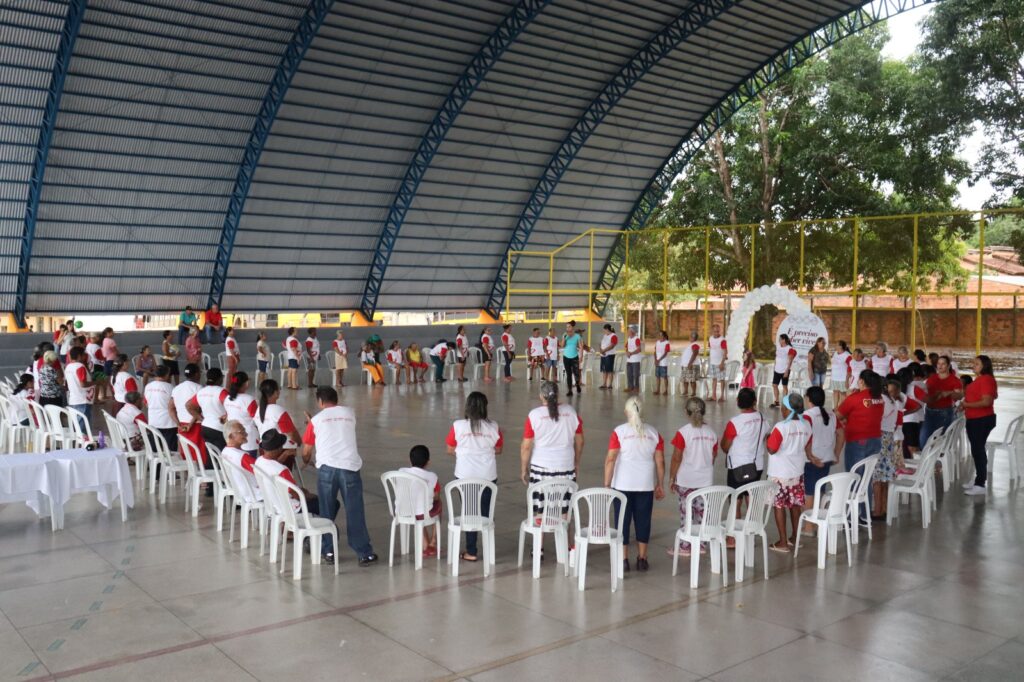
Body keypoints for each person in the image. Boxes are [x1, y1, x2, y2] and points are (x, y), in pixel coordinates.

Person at [302, 387, 377, 566]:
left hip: (327, 470)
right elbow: (336, 427)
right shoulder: (350, 413)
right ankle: (364, 553)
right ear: (336, 399)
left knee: (326, 512)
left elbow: (306, 451)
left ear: (320, 402)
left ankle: (328, 551)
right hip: (349, 468)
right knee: (355, 511)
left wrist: (308, 460)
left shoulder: (316, 420)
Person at [605, 397, 664, 572]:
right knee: (643, 521)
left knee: (622, 521)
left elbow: (611, 459)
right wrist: (660, 484)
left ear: (626, 412)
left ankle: (623, 559)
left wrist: (607, 484)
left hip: (622, 484)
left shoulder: (619, 432)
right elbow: (660, 461)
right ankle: (642, 558)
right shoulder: (654, 433)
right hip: (645, 485)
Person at [447, 392, 502, 562]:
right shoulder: (493, 426)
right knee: (486, 512)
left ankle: (471, 551)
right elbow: (498, 449)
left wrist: (466, 451)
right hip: (488, 476)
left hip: (465, 476)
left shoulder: (458, 426)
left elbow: (450, 448)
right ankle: (489, 549)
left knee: (469, 511)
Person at [521, 381, 584, 515]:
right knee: (564, 511)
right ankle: (564, 529)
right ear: (558, 394)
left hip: (541, 469)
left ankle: (541, 528)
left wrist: (523, 468)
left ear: (541, 396)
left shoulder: (534, 415)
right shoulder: (571, 412)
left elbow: (526, 447)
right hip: (566, 466)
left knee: (540, 511)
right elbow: (580, 441)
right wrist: (576, 463)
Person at [668, 397, 717, 556]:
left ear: (686, 412)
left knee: (686, 513)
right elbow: (713, 456)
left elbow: (676, 457)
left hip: (686, 481)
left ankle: (685, 545)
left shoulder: (683, 432)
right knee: (702, 513)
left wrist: (672, 477)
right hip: (705, 481)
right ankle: (701, 544)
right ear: (704, 411)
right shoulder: (711, 433)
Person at [766, 393, 815, 551]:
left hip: (779, 473)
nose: (781, 409)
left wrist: (767, 439)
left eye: (783, 407)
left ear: (788, 409)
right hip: (797, 472)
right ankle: (795, 537)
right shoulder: (806, 426)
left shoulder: (781, 427)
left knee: (779, 505)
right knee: (795, 505)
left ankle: (782, 542)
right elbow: (807, 444)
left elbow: (772, 449)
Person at [837, 370, 884, 521]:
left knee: (855, 477)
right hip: (875, 440)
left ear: (862, 381)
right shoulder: (879, 398)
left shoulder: (855, 398)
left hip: (857, 441)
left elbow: (838, 414)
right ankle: (865, 514)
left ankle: (852, 515)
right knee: (866, 478)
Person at [873, 378, 920, 518]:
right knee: (885, 475)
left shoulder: (884, 401)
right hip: (890, 439)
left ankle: (878, 510)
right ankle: (884, 508)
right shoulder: (894, 402)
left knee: (878, 476)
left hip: (884, 439)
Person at [802, 386, 843, 532]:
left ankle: (809, 526)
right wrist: (836, 453)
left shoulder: (807, 416)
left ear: (808, 399)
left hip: (812, 460)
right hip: (826, 458)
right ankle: (817, 522)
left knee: (809, 493)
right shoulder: (831, 414)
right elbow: (841, 434)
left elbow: (806, 438)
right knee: (819, 490)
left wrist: (809, 455)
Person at [256, 428, 319, 514]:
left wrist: (285, 454)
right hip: (291, 509)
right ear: (279, 448)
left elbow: (272, 466)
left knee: (304, 491)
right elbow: (295, 493)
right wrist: (309, 496)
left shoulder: (259, 461)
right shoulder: (282, 470)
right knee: (330, 503)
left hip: (274, 504)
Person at [960, 355, 998, 496]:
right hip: (976, 419)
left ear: (984, 366)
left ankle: (980, 484)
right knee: (977, 450)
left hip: (981, 420)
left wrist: (966, 405)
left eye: (976, 363)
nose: (973, 365)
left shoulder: (986, 379)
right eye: (973, 363)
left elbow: (987, 401)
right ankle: (978, 479)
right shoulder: (981, 379)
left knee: (978, 451)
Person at [399, 445, 442, 557]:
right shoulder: (432, 477)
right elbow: (436, 497)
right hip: (421, 514)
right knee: (436, 504)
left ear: (409, 460)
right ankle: (433, 541)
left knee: (416, 505)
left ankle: (425, 544)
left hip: (402, 511)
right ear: (428, 462)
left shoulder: (401, 471)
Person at [721, 387, 768, 489]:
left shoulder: (735, 422)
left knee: (736, 495)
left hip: (738, 466)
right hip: (757, 465)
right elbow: (763, 437)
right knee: (750, 494)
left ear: (737, 400)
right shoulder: (763, 418)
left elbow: (725, 447)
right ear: (755, 401)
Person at [920, 355, 962, 450]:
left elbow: (959, 396)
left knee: (942, 440)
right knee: (924, 439)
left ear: (948, 366)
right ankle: (927, 457)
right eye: (938, 364)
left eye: (943, 364)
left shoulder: (955, 380)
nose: (940, 366)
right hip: (929, 411)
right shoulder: (932, 379)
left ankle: (938, 457)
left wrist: (949, 393)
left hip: (945, 412)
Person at [170, 364, 206, 472]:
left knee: (187, 452)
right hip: (196, 424)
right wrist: (191, 424)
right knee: (199, 452)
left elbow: (170, 408)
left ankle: (191, 474)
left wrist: (178, 424)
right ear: (196, 374)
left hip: (182, 425)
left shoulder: (177, 388)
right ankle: (201, 474)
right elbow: (197, 409)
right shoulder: (199, 388)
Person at [256, 379, 302, 458]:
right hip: (280, 450)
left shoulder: (258, 410)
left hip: (264, 449)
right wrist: (298, 443)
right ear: (275, 393)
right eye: (279, 389)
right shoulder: (278, 411)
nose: (279, 391)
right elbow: (292, 434)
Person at [224, 371, 259, 456]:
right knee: (250, 461)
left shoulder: (227, 398)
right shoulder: (249, 399)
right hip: (248, 436)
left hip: (234, 436)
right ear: (246, 384)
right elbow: (257, 419)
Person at [194, 368, 229, 451]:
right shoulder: (222, 391)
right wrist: (227, 416)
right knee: (221, 454)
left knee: (210, 454)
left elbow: (189, 406)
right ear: (220, 378)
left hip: (205, 426)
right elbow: (230, 405)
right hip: (219, 428)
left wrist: (201, 419)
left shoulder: (201, 391)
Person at [145, 365, 178, 449]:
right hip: (168, 422)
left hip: (153, 421)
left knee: (155, 449)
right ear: (166, 375)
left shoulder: (148, 386)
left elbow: (146, 403)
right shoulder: (170, 387)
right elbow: (174, 405)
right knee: (170, 450)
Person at [64, 347, 94, 431]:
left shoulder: (68, 367)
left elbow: (66, 384)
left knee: (77, 426)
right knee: (82, 428)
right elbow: (83, 384)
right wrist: (96, 383)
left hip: (73, 399)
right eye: (84, 355)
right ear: (79, 356)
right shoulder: (80, 367)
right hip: (82, 400)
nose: (85, 357)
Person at [902, 363, 928, 459]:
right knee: (914, 447)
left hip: (905, 421)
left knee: (906, 448)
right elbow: (926, 400)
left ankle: (910, 464)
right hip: (916, 420)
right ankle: (916, 465)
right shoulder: (917, 387)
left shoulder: (901, 388)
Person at [771, 333, 797, 407]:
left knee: (784, 386)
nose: (779, 341)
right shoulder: (778, 347)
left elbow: (790, 361)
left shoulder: (790, 349)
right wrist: (774, 366)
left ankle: (785, 402)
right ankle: (776, 401)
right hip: (777, 370)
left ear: (784, 340)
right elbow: (776, 357)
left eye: (780, 339)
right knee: (774, 385)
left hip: (784, 370)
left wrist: (787, 371)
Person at [560, 322, 584, 395]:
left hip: (575, 357)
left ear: (572, 327)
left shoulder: (577, 336)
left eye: (569, 327)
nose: (568, 328)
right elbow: (562, 345)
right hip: (566, 357)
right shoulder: (565, 335)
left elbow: (581, 347)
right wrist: (564, 338)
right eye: (567, 327)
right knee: (569, 374)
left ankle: (577, 384)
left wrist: (581, 356)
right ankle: (570, 390)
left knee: (576, 373)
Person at [707, 324, 728, 401]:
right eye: (715, 331)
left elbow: (725, 352)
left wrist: (722, 363)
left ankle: (722, 396)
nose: (716, 333)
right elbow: (711, 349)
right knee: (714, 379)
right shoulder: (710, 338)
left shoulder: (722, 340)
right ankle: (714, 396)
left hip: (720, 363)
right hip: (712, 362)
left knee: (721, 379)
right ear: (712, 331)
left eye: (718, 331)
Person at [680, 330, 701, 397]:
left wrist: (690, 363)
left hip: (691, 365)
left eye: (690, 336)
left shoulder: (695, 345)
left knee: (692, 380)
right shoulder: (691, 344)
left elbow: (695, 353)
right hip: (686, 365)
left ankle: (693, 392)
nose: (689, 338)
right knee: (685, 379)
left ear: (693, 337)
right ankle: (686, 391)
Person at [598, 323, 619, 390]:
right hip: (603, 355)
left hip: (609, 355)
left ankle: (610, 385)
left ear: (607, 329)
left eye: (604, 330)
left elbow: (612, 345)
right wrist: (600, 350)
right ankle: (604, 384)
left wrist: (604, 350)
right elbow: (601, 344)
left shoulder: (613, 336)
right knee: (604, 370)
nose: (603, 331)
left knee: (609, 370)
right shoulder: (605, 336)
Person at [830, 340, 851, 405]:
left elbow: (850, 368)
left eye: (837, 345)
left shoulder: (847, 355)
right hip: (834, 378)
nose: (835, 346)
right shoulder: (835, 353)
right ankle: (835, 407)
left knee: (842, 394)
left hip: (842, 379)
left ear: (841, 346)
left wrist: (847, 380)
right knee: (835, 392)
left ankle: (841, 408)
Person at [624, 325, 642, 394]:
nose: (627, 333)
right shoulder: (629, 339)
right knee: (629, 374)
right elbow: (626, 347)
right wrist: (627, 352)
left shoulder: (636, 339)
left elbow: (639, 349)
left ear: (633, 332)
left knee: (636, 374)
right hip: (629, 360)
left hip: (635, 360)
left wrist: (631, 353)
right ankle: (630, 387)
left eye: (629, 331)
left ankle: (636, 388)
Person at [652, 330, 671, 396]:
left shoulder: (667, 343)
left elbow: (665, 353)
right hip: (658, 362)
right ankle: (658, 390)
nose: (660, 336)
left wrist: (659, 360)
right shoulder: (657, 342)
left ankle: (666, 390)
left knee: (664, 377)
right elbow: (655, 352)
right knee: (658, 376)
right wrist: (655, 360)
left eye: (661, 335)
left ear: (664, 336)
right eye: (659, 335)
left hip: (663, 363)